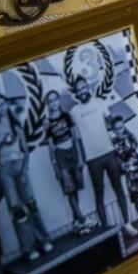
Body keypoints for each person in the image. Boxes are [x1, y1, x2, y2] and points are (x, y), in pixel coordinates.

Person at [70, 73, 137, 236]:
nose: (82, 91)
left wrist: (128, 134)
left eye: (84, 87)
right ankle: (107, 232)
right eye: (78, 90)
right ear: (76, 93)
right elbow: (76, 139)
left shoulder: (100, 103)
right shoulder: (74, 112)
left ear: (88, 88)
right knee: (98, 193)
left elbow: (113, 123)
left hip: (109, 153)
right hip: (92, 159)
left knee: (118, 188)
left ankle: (127, 224)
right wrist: (82, 159)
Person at [0, 94, 53, 260]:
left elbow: (25, 150)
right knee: (17, 211)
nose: (1, 108)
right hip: (5, 169)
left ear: (7, 105)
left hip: (19, 165)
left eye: (3, 104)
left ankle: (44, 239)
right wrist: (0, 142)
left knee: (31, 205)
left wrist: (24, 171)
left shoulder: (16, 125)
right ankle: (29, 248)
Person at [44, 90, 89, 234]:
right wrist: (55, 167)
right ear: (47, 104)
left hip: (73, 152)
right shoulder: (47, 123)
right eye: (50, 101)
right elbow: (50, 147)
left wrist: (80, 157)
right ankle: (82, 220)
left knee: (75, 188)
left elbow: (75, 137)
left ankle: (77, 222)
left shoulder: (66, 116)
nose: (53, 103)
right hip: (60, 156)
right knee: (69, 190)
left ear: (58, 100)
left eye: (55, 99)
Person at [107, 114, 138, 231]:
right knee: (135, 196)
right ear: (113, 130)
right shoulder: (114, 142)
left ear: (124, 126)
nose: (120, 130)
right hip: (128, 172)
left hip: (137, 168)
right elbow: (116, 158)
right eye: (117, 128)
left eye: (121, 127)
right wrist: (121, 166)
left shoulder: (131, 137)